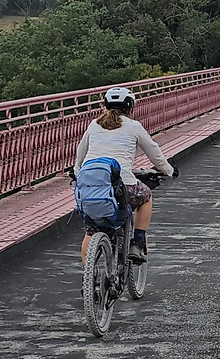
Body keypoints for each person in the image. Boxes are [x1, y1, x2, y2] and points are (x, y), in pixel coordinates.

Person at [75, 87, 177, 264]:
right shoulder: (133, 126)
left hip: (90, 188)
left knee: (91, 230)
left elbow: (80, 153)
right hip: (123, 187)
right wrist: (169, 170)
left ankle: (88, 279)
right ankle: (137, 243)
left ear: (105, 106)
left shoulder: (94, 125)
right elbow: (154, 152)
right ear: (131, 107)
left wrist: (77, 172)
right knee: (145, 197)